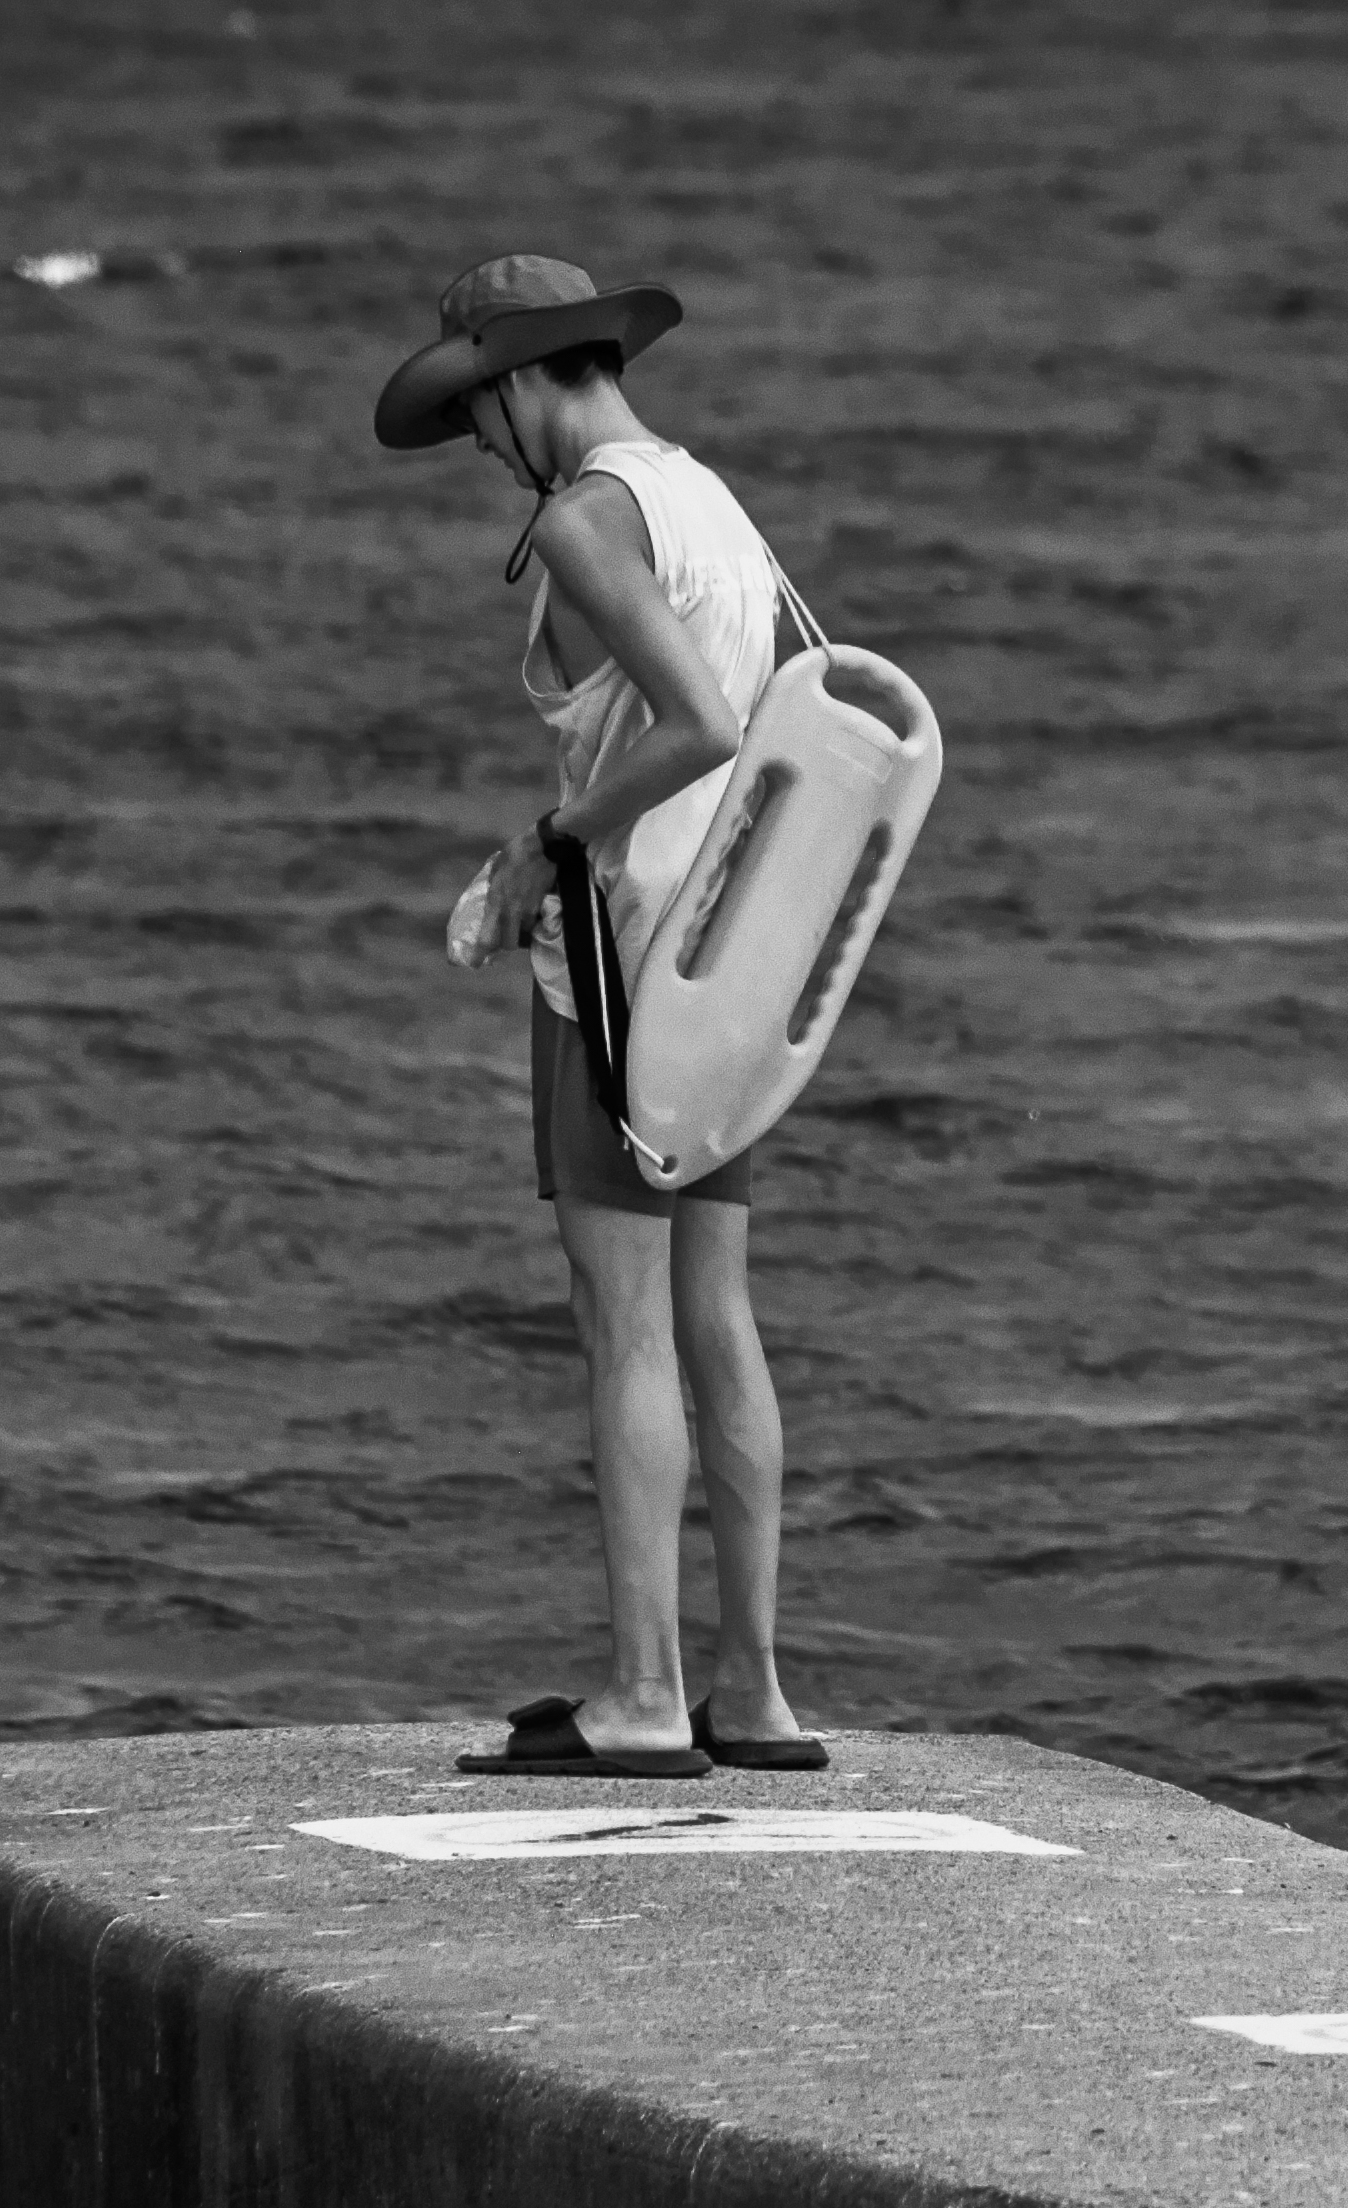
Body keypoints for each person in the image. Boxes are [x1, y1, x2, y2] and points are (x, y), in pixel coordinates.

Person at [373, 253, 826, 1780]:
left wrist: (544, 846)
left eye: (478, 411)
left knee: (620, 1320)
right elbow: (782, 709)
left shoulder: (583, 518)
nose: (482, 449)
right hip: (732, 950)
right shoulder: (709, 498)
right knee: (716, 1316)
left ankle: (642, 1695)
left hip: (628, 956)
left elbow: (693, 724)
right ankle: (752, 1693)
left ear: (518, 379)